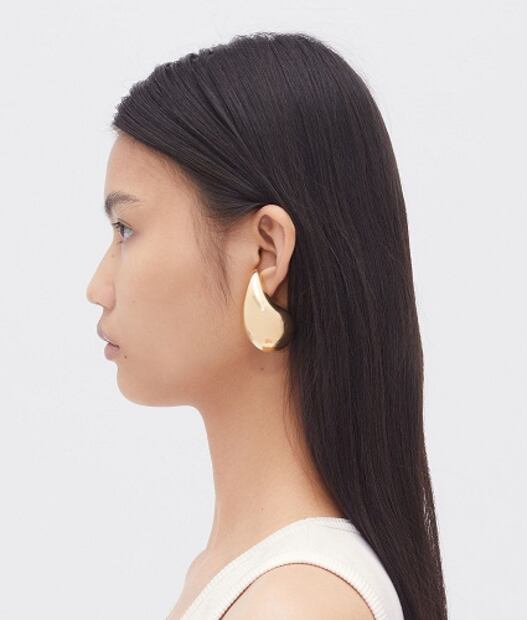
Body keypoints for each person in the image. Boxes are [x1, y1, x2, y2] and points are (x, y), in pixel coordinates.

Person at [86, 32, 448, 619]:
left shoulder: (295, 603)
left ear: (265, 253)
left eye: (126, 229)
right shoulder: (242, 577)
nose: (98, 287)